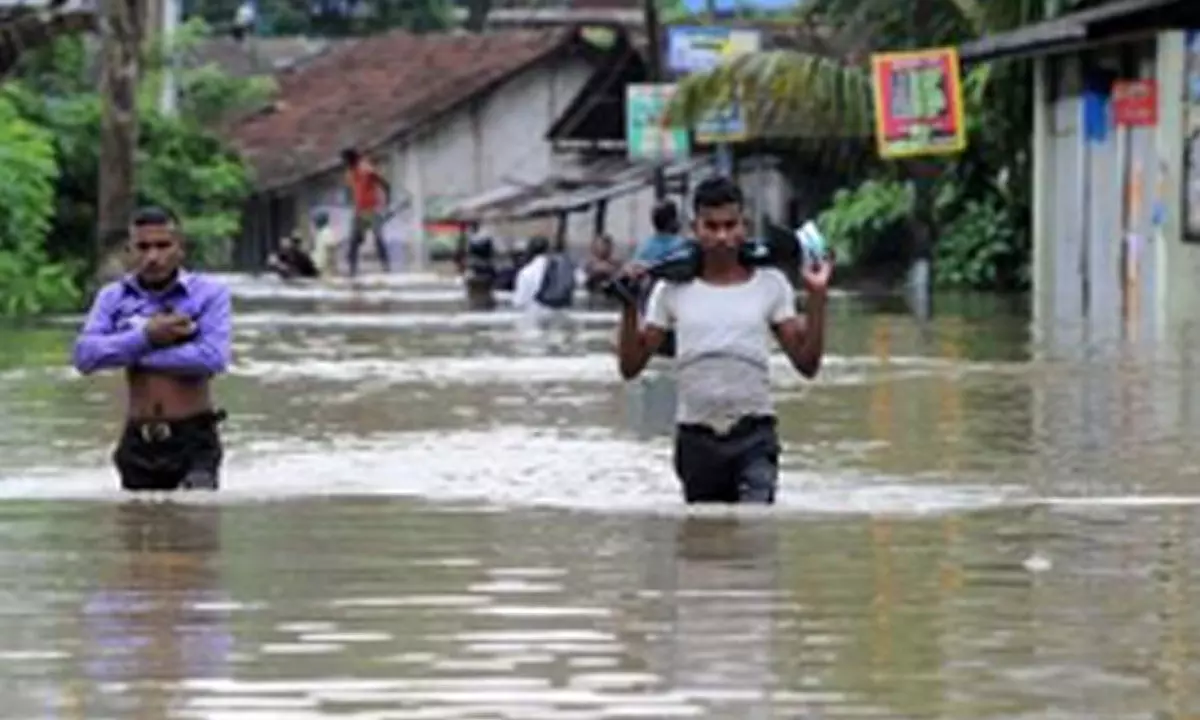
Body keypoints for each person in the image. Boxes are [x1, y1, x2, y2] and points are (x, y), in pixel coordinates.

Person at [615, 176, 832, 505]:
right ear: (694, 228)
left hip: (754, 436)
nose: (722, 237)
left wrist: (817, 297)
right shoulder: (670, 290)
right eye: (711, 226)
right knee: (705, 541)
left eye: (730, 225)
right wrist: (629, 308)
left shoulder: (771, 284)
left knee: (755, 527)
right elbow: (631, 367)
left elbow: (808, 364)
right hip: (696, 438)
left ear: (744, 226)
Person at [71, 206, 232, 491]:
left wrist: (134, 352)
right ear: (129, 250)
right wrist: (146, 336)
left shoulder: (209, 293)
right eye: (143, 247)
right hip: (137, 443)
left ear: (180, 249)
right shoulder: (113, 297)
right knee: (136, 529)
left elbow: (213, 357)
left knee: (194, 528)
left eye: (162, 245)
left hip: (193, 441)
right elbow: (85, 356)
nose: (153, 256)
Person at [342, 147, 391, 277]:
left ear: (353, 159)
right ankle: (352, 269)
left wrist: (387, 202)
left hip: (372, 209)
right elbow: (352, 191)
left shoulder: (366, 169)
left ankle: (386, 266)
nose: (347, 165)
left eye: (348, 161)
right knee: (354, 239)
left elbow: (385, 184)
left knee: (378, 238)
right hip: (359, 210)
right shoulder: (350, 173)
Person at [312, 211, 340, 278]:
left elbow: (331, 247)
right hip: (319, 267)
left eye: (317, 221)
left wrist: (332, 265)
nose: (315, 223)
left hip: (325, 269)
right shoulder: (320, 232)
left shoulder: (327, 232)